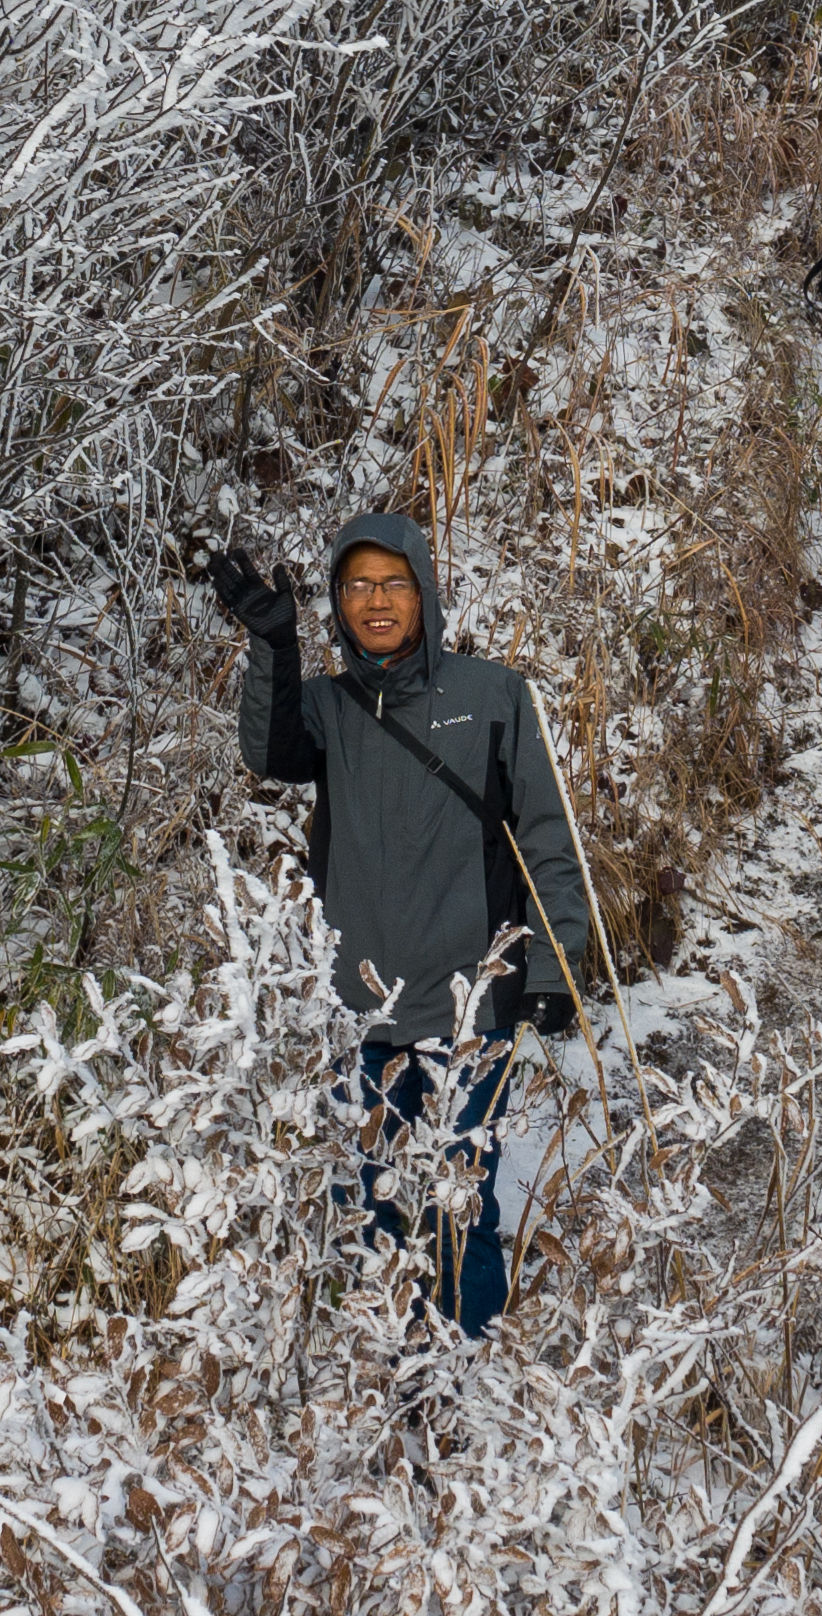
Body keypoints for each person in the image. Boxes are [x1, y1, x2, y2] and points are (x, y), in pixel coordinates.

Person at [197, 514, 610, 1337]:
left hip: (466, 1012)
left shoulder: (494, 697)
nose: (375, 602)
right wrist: (273, 648)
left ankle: (471, 1381)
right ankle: (398, 1379)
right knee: (380, 1202)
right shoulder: (326, 708)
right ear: (337, 602)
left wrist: (554, 966)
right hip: (363, 1013)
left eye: (393, 583)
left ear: (423, 591)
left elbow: (546, 839)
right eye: (357, 586)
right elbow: (268, 754)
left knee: (459, 1199)